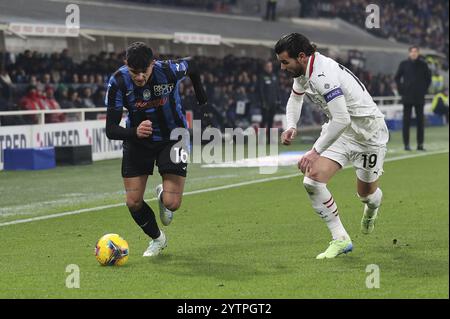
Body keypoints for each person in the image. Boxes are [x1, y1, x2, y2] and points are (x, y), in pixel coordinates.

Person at [275, 33, 388, 259]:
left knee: (366, 194)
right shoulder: (304, 71)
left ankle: (372, 206)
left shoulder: (322, 75)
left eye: (285, 62)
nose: (282, 67)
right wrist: (292, 125)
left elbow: (343, 119)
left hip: (367, 135)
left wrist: (314, 151)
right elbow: (295, 99)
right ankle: (341, 239)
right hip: (340, 132)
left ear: (301, 56)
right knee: (312, 180)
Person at [105, 42, 207, 257]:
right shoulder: (118, 81)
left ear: (153, 63)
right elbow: (111, 129)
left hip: (173, 137)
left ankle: (162, 196)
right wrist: (134, 132)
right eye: (135, 72)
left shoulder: (169, 70)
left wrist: (201, 98)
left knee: (173, 203)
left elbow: (194, 66)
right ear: (126, 64)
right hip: (138, 140)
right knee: (133, 202)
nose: (140, 77)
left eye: (144, 71)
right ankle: (158, 239)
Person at [394, 46, 431, 151]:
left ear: (418, 53)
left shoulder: (423, 65)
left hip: (419, 97)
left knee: (420, 122)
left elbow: (428, 79)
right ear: (409, 53)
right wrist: (402, 90)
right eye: (412, 51)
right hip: (407, 97)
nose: (414, 53)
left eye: (416, 51)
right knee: (406, 122)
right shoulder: (404, 64)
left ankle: (420, 144)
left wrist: (423, 90)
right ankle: (406, 145)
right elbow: (397, 78)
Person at [258, 61, 280, 142]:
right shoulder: (262, 77)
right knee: (264, 121)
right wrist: (263, 102)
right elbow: (260, 90)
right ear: (264, 67)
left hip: (273, 103)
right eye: (267, 66)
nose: (269, 68)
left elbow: (277, 90)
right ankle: (261, 139)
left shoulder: (274, 77)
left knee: (271, 121)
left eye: (270, 66)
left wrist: (278, 100)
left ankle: (270, 139)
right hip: (265, 103)